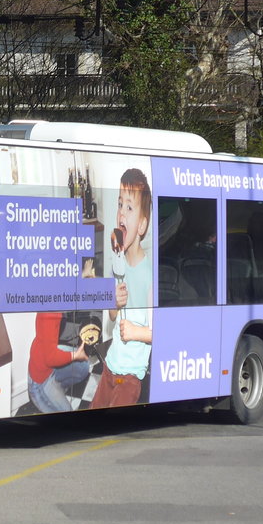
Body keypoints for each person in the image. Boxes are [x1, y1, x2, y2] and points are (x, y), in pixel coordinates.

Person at [94, 167, 153, 409]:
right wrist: (114, 304)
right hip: (111, 365)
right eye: (120, 204)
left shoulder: (150, 274)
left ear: (141, 225)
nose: (121, 213)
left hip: (131, 376)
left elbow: (160, 331)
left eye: (129, 207)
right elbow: (111, 315)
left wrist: (135, 333)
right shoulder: (117, 265)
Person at [27, 311, 92, 413]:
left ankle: (58, 387)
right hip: (41, 381)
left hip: (50, 361)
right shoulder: (50, 313)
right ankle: (48, 394)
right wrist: (75, 355)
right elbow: (50, 358)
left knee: (83, 366)